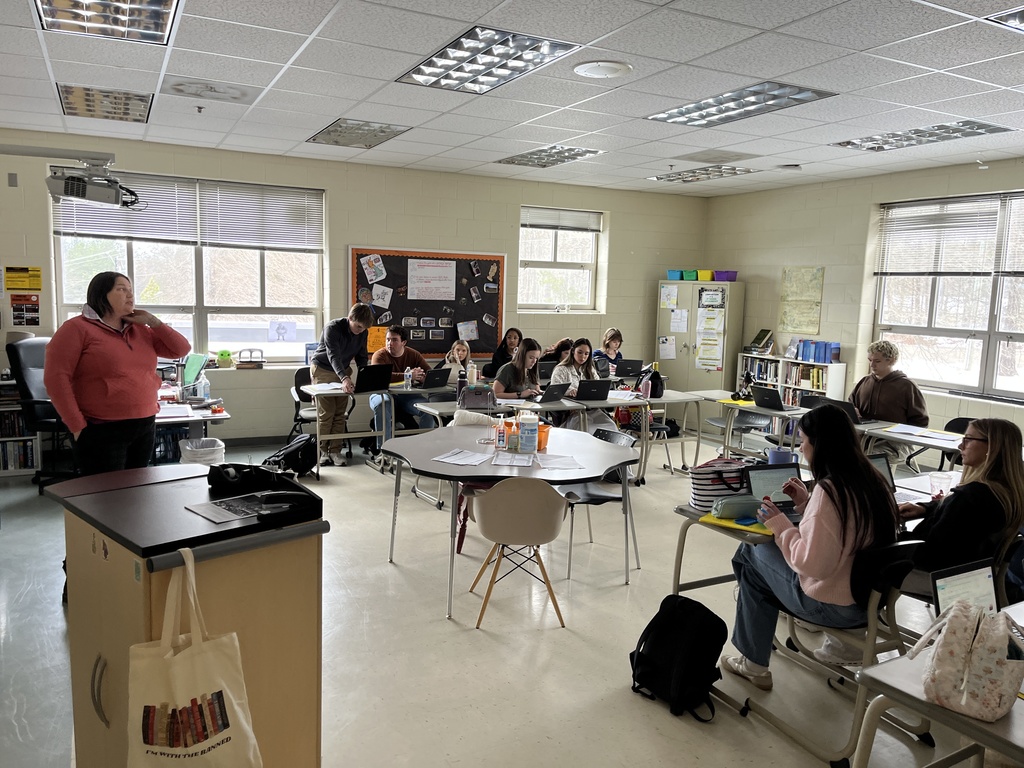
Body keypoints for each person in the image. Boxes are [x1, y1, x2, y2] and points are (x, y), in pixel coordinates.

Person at [720, 404, 899, 690]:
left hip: (833, 607)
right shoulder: (873, 480)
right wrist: (806, 504)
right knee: (757, 568)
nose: (801, 448)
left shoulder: (829, 491)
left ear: (820, 444)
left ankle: (753, 661)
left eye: (803, 441)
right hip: (869, 602)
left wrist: (780, 525)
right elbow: (843, 535)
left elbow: (812, 564)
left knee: (751, 554)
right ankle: (761, 616)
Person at [45, 271, 192, 475]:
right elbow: (56, 379)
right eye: (121, 289)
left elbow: (181, 349)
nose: (130, 295)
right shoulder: (76, 329)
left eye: (131, 290)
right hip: (100, 428)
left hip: (144, 424)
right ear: (101, 294)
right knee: (106, 492)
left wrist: (153, 321)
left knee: (137, 487)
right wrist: (76, 425)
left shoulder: (140, 329)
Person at [899, 418, 1024, 574]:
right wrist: (925, 509)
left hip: (930, 575)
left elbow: (931, 554)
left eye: (968, 440)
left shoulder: (969, 498)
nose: (960, 446)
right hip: (972, 574)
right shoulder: (1007, 492)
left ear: (992, 447)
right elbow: (957, 517)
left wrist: (891, 536)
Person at [309, 302, 373, 466]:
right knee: (327, 413)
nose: (360, 330)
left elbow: (361, 356)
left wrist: (365, 376)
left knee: (340, 414)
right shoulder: (332, 328)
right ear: (350, 317)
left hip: (342, 370)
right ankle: (322, 451)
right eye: (358, 326)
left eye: (364, 328)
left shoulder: (363, 332)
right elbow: (333, 356)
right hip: (323, 369)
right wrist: (344, 378)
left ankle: (335, 451)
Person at [849, 340, 928, 464]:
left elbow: (921, 422)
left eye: (877, 361)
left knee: (867, 458)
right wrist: (853, 411)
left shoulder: (907, 386)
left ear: (891, 360)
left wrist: (896, 432)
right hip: (864, 439)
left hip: (895, 444)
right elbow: (850, 405)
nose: (872, 365)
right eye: (870, 360)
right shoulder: (864, 382)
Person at [369, 325, 433, 456]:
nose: (389, 343)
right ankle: (384, 451)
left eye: (394, 340)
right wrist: (408, 376)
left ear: (403, 342)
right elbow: (381, 376)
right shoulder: (379, 355)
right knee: (382, 404)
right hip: (381, 393)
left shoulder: (414, 354)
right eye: (388, 339)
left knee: (427, 408)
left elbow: (430, 374)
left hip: (406, 395)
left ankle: (424, 448)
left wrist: (423, 378)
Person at [550, 337, 618, 434]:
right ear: (573, 351)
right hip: (572, 413)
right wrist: (569, 392)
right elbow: (555, 391)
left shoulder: (590, 369)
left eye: (586, 354)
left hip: (593, 411)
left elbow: (598, 387)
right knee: (587, 430)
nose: (583, 356)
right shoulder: (561, 369)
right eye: (580, 352)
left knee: (611, 427)